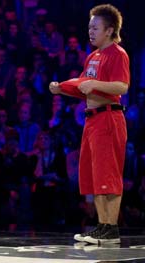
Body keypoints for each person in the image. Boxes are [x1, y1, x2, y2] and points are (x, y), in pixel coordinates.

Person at [49, 4, 129, 244]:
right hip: (92, 120)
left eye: (95, 27)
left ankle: (111, 229)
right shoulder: (92, 56)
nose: (90, 32)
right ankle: (102, 226)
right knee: (95, 176)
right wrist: (61, 88)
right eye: (89, 27)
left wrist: (94, 85)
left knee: (108, 174)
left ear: (109, 30)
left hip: (109, 118)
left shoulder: (117, 53)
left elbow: (121, 86)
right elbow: (83, 86)